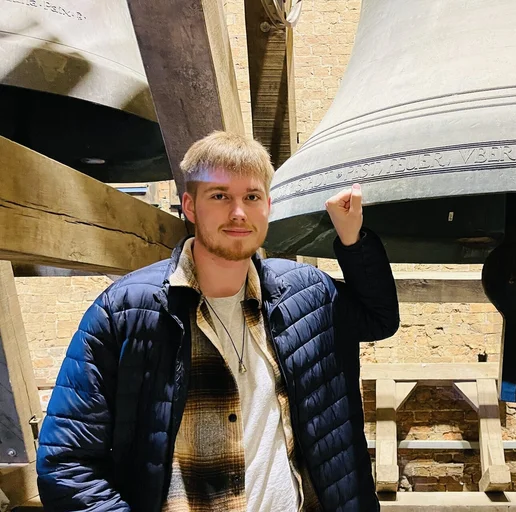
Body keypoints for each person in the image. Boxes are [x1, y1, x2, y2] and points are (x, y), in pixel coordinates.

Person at [36, 131, 400, 512]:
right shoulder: (124, 313)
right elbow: (65, 464)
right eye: (220, 196)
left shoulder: (307, 294)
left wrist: (352, 239)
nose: (238, 212)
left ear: (268, 206)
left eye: (252, 197)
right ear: (190, 206)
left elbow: (379, 319)